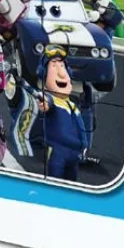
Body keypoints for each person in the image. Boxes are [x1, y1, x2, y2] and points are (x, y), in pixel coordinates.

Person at [36, 46, 91, 181]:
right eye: (54, 66)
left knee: (72, 184)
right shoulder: (51, 101)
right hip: (57, 152)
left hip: (75, 154)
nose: (61, 73)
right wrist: (44, 105)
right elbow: (47, 104)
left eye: (62, 66)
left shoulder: (73, 106)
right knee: (55, 184)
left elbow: (82, 127)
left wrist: (84, 145)